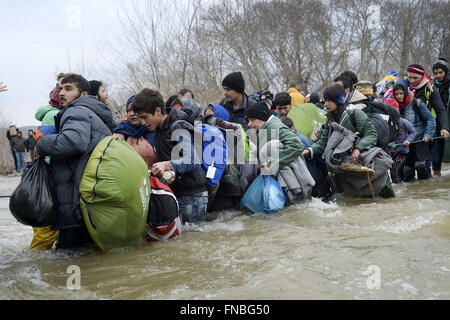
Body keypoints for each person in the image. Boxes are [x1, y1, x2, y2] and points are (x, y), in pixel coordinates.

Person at [36, 74, 116, 251]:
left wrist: (41, 144)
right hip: (92, 205)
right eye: (61, 89)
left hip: (74, 207)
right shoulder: (94, 114)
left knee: (66, 267)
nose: (62, 93)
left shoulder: (76, 111)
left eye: (68, 89)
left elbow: (74, 141)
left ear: (84, 95)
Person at [302, 84, 394, 198]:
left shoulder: (354, 113)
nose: (325, 104)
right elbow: (323, 143)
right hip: (345, 168)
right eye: (325, 100)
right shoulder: (329, 120)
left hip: (364, 163)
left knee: (380, 199)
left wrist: (358, 149)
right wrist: (309, 151)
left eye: (329, 100)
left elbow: (371, 134)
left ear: (338, 100)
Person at [132, 88, 208, 224]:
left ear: (158, 111)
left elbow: (193, 160)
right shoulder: (159, 130)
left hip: (192, 196)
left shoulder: (178, 126)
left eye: (144, 117)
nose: (142, 122)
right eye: (140, 118)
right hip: (179, 193)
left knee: (193, 241)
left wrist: (166, 165)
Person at [246, 101, 314, 204]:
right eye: (248, 120)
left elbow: (296, 145)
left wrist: (271, 164)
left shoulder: (274, 127)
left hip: (296, 186)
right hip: (288, 185)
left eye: (252, 120)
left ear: (262, 117)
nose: (249, 124)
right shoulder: (265, 127)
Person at [407, 64, 449, 177]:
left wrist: (444, 128)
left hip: (426, 131)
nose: (412, 80)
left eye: (415, 78)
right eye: (409, 77)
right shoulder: (403, 88)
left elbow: (440, 110)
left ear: (422, 76)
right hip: (408, 132)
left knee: (423, 164)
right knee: (407, 168)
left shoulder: (429, 89)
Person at [392, 79, 436, 181]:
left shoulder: (416, 103)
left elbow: (430, 119)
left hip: (420, 140)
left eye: (401, 93)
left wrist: (428, 135)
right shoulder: (393, 106)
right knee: (407, 171)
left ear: (406, 92)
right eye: (396, 94)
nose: (399, 96)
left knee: (420, 166)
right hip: (404, 144)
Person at [113, 95, 157, 169]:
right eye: (129, 110)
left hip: (154, 177)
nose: (132, 113)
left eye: (136, 110)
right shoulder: (120, 133)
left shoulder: (153, 130)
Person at [431, 58, 450, 169]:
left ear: (446, 71)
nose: (438, 75)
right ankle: (437, 178)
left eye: (440, 73)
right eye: (435, 73)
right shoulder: (433, 86)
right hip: (437, 123)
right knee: (436, 154)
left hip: (448, 119)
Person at [390, 117, 416, 184]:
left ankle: (398, 188)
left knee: (394, 171)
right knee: (393, 171)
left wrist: (408, 140)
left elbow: (413, 132)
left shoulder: (403, 122)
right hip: (390, 150)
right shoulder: (385, 121)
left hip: (402, 151)